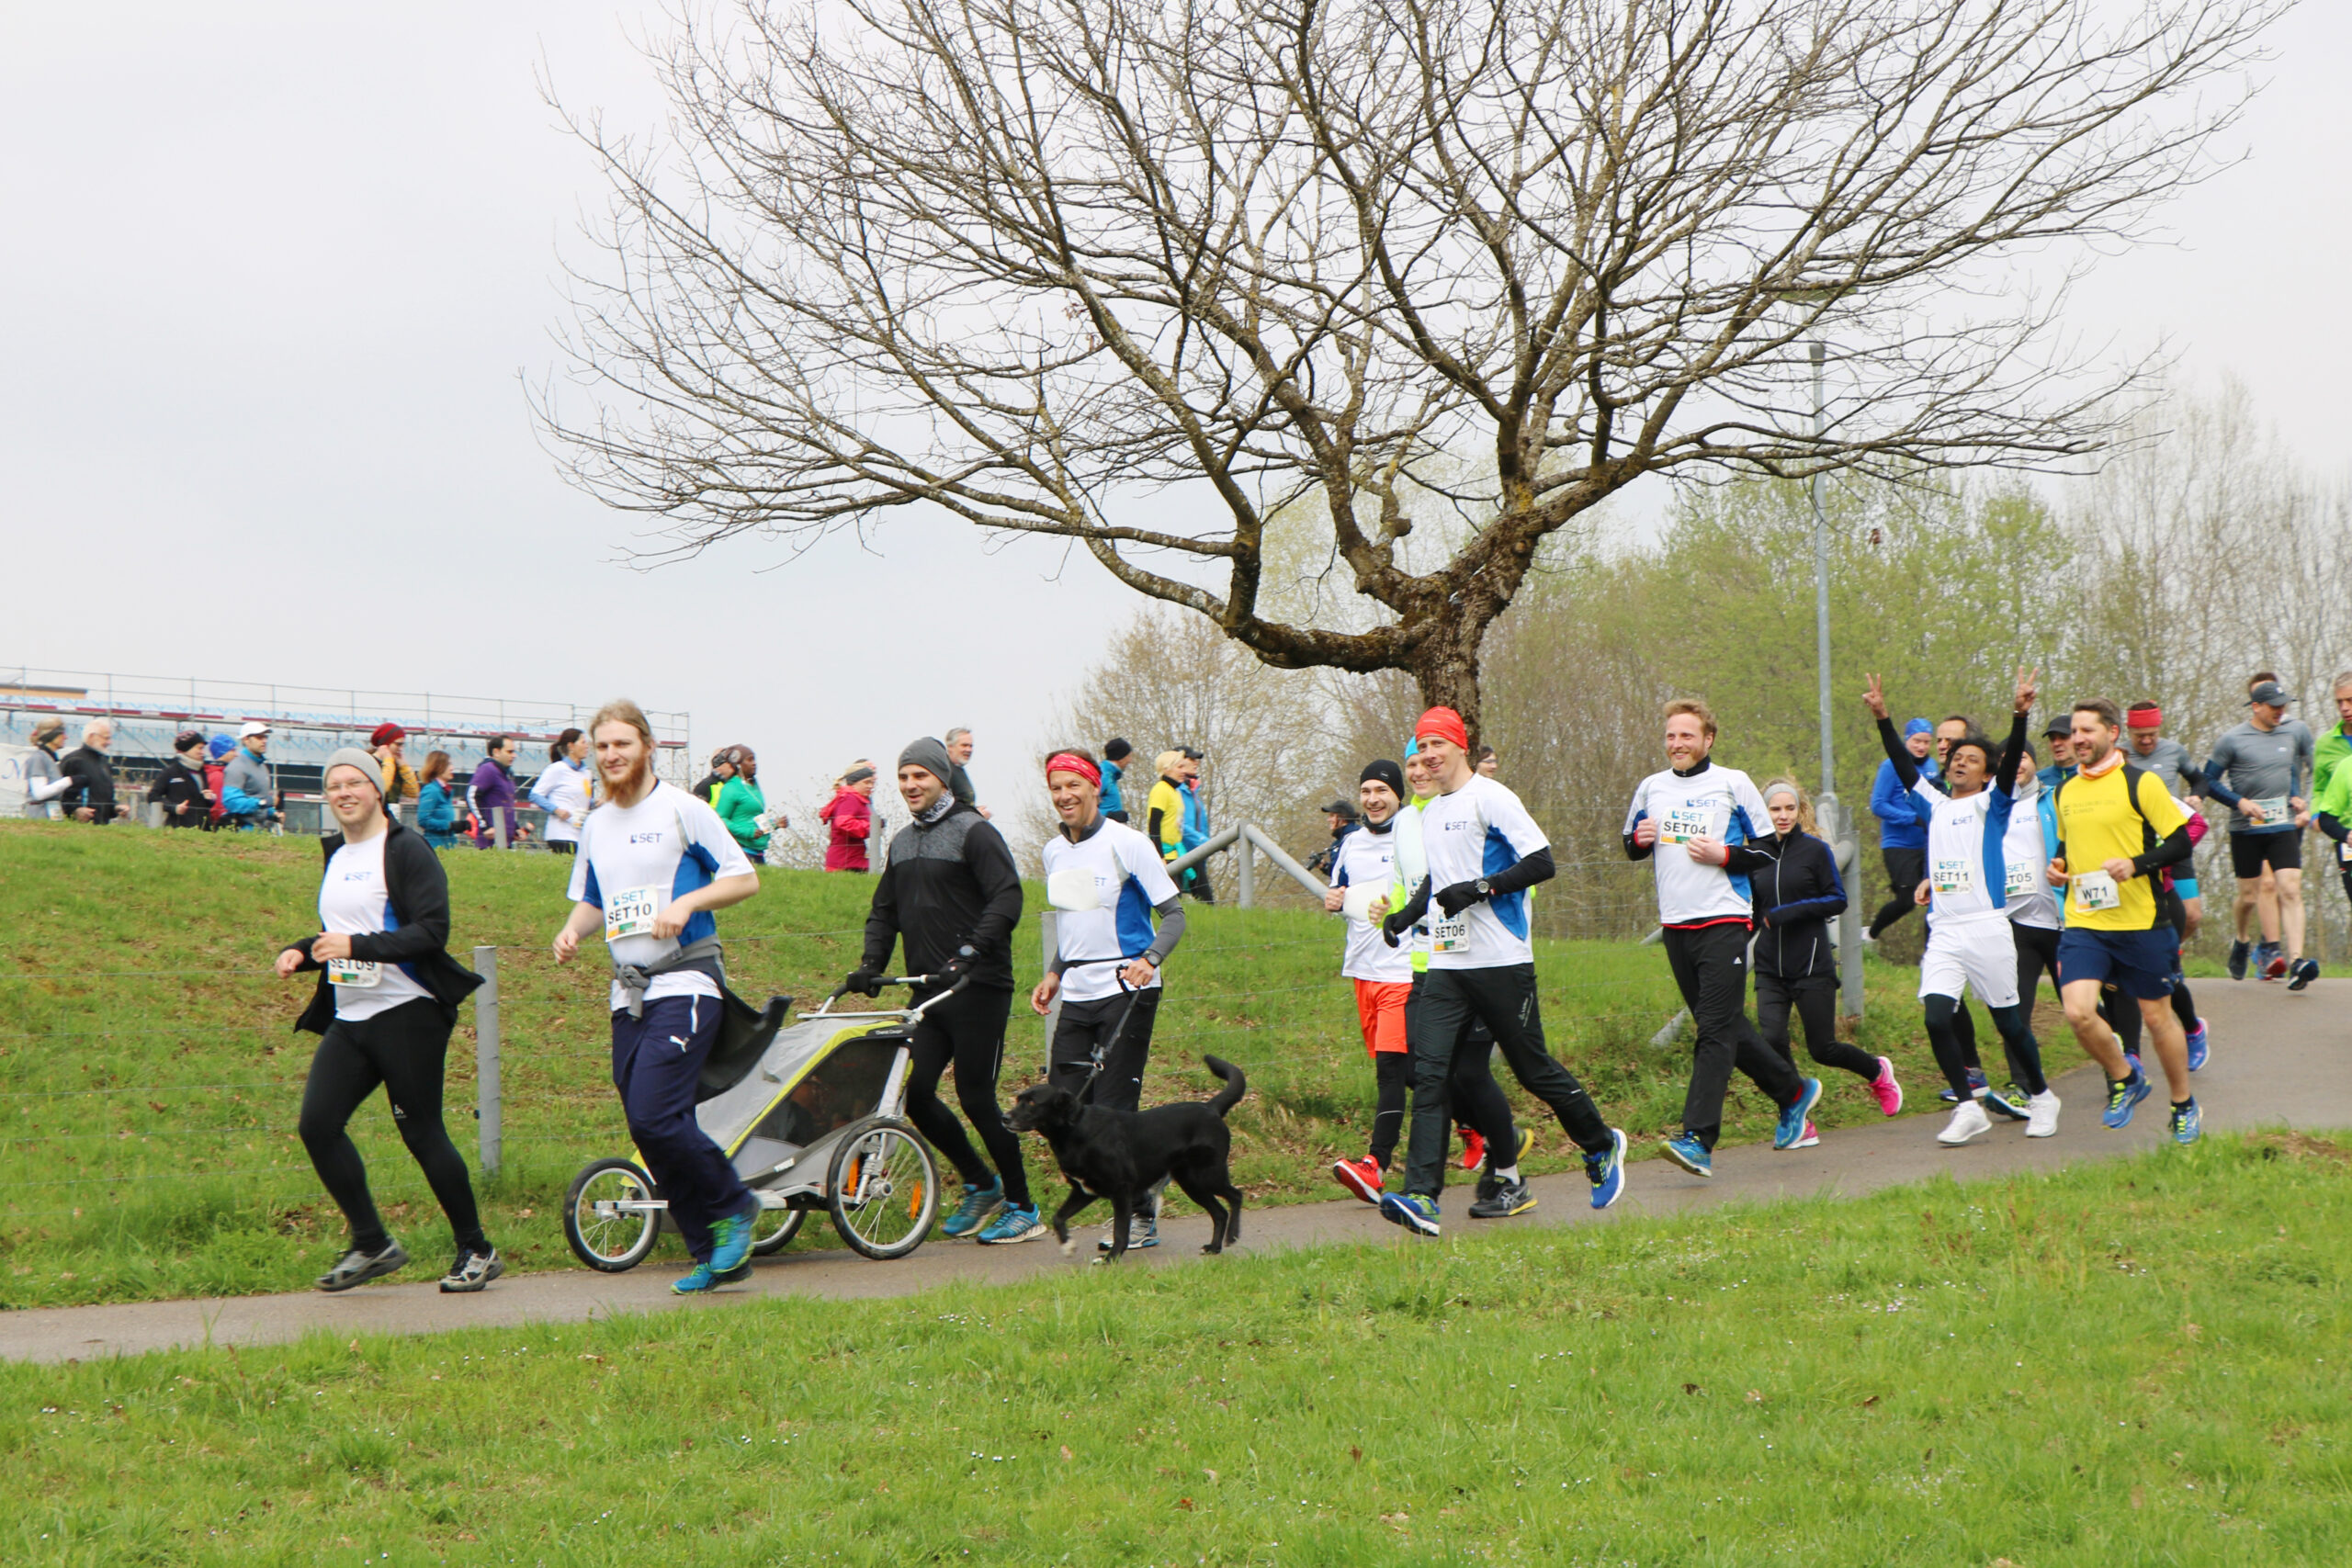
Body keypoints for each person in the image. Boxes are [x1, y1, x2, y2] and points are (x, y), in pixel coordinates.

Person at [1379, 706, 1629, 1235]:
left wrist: (1481, 888)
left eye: (1437, 746)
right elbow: (1440, 882)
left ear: (1459, 747)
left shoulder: (1493, 798)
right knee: (1430, 1075)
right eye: (1421, 749)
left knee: (1532, 1068)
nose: (1427, 757)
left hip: (1502, 962)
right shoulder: (1429, 812)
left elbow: (1542, 861)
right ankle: (1422, 1195)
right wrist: (1407, 914)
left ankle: (1601, 1143)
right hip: (1448, 965)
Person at [551, 700, 764, 1293]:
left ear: (646, 745)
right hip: (631, 994)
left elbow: (744, 876)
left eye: (622, 743)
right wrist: (573, 930)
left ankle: (735, 1203)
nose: (611, 755)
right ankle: (711, 1250)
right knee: (650, 1126)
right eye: (602, 746)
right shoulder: (595, 825)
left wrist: (686, 903)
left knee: (654, 1112)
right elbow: (594, 898)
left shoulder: (684, 810)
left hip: (688, 981)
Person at [273, 748, 499, 1293]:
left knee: (420, 1131)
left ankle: (477, 1249)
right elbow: (344, 931)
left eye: (355, 783)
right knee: (317, 1126)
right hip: (352, 1016)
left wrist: (356, 945)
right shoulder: (337, 855)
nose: (344, 793)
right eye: (334, 786)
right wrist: (304, 950)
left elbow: (431, 932)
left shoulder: (406, 849)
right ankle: (373, 1244)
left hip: (408, 1012)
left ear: (378, 790)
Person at [849, 738, 1036, 1243]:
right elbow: (884, 910)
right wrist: (871, 964)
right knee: (917, 1094)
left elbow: (1007, 898)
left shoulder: (975, 832)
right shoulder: (903, 843)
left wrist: (971, 953)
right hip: (929, 992)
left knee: (976, 1097)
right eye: (904, 777)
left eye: (921, 777)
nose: (911, 786)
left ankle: (1023, 1206)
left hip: (979, 986)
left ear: (942, 779)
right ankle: (981, 1184)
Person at [1624, 698, 1821, 1178]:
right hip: (1676, 923)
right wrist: (1638, 840)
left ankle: (1698, 1138)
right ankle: (1792, 1091)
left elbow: (1769, 850)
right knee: (1725, 1023)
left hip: (1725, 919)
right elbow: (1630, 843)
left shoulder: (1732, 783)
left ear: (1708, 739)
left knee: (1712, 1030)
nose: (1677, 744)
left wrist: (1725, 854)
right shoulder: (1651, 787)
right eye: (1671, 735)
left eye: (1687, 736)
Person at [1866, 670, 2056, 1143]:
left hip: (1988, 927)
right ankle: (1968, 1107)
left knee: (2008, 1022)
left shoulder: (1993, 803)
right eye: (1955, 757)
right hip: (1946, 928)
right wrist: (1883, 719)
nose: (1959, 763)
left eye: (1972, 760)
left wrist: (2020, 714)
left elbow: (2012, 761)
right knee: (1936, 1015)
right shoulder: (1932, 802)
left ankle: (2042, 1096)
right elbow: (1902, 764)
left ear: (1988, 773)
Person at [1032, 745, 1190, 1249]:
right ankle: (1141, 1180)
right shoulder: (1053, 852)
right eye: (1056, 788)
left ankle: (1141, 1217)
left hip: (1128, 990)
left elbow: (1175, 916)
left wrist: (1150, 960)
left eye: (1073, 785)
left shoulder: (1128, 844)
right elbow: (1073, 922)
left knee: (1113, 1112)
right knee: (1065, 1103)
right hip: (1075, 995)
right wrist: (1055, 972)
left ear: (1095, 787)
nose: (1064, 796)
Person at [2046, 697, 2199, 1144]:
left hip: (2141, 921)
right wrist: (2058, 866)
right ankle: (2125, 1076)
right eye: (2074, 732)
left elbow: (2180, 844)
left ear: (2112, 733)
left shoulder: (2142, 783)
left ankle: (2183, 1104)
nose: (2077, 739)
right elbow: (2066, 849)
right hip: (2085, 921)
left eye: (2086, 731)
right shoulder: (2063, 791)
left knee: (2157, 1019)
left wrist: (2136, 864)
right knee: (2077, 1011)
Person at [1744, 779, 1902, 1128]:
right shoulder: (1755, 855)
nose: (1783, 816)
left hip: (1811, 964)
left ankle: (1877, 1072)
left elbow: (1836, 899)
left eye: (1790, 809)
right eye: (1774, 809)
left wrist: (1788, 912)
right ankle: (1795, 1109)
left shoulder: (1814, 850)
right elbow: (1753, 911)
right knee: (1771, 1041)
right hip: (1770, 967)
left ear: (1801, 812)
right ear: (1763, 812)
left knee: (1822, 1049)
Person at [1322, 761, 1422, 1196]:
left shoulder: (1413, 836)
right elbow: (1340, 892)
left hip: (1402, 971)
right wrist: (1333, 899)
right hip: (1362, 971)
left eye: (1382, 790)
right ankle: (1485, 1127)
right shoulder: (1350, 844)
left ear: (1398, 794)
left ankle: (1375, 1165)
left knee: (1389, 1070)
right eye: (1366, 791)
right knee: (1411, 1074)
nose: (1373, 799)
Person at [2202, 678, 2315, 987]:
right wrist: (2239, 802)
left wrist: (2298, 797)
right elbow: (2207, 781)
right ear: (2256, 706)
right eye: (2274, 706)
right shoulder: (2232, 739)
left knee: (2290, 888)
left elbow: (2298, 770)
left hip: (2282, 826)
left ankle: (2296, 961)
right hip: (2246, 829)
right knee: (2249, 897)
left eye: (2284, 706)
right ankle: (2241, 939)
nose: (2281, 711)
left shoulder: (2291, 734)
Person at [1866, 717, 1936, 941]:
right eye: (1917, 741)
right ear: (1907, 739)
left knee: (1936, 901)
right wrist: (1912, 818)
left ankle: (1933, 953)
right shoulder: (1890, 766)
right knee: (1906, 900)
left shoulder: (1932, 766)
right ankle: (1871, 934)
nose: (1922, 747)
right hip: (1898, 845)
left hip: (1927, 844)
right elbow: (1878, 804)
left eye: (1926, 742)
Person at [530, 728, 594, 855]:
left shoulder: (587, 773)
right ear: (571, 746)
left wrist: (597, 802)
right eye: (583, 742)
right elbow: (535, 795)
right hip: (561, 833)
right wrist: (556, 810)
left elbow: (584, 802)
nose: (587, 746)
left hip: (580, 834)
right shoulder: (557, 769)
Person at [2123, 703, 2199, 799]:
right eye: (2140, 735)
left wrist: (2196, 797)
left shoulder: (2174, 750)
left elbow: (2199, 781)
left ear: (2159, 728)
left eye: (2152, 734)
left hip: (2170, 813)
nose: (2146, 741)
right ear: (2129, 730)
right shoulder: (2116, 755)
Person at [712, 746, 777, 859]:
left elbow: (755, 819)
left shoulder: (754, 785)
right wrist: (747, 832)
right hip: (741, 851)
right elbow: (720, 819)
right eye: (750, 760)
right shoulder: (731, 788)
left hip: (758, 851)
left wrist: (776, 824)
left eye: (754, 759)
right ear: (738, 764)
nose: (754, 763)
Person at [56, 720, 119, 824]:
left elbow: (104, 798)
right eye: (106, 738)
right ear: (92, 736)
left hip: (102, 827)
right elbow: (61, 795)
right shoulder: (74, 760)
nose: (110, 742)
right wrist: (75, 810)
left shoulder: (103, 762)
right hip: (79, 828)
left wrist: (115, 808)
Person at [1146, 750, 1192, 891]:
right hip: (1165, 855)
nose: (1184, 771)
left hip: (1177, 853)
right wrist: (1160, 857)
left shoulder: (1175, 792)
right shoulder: (1161, 790)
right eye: (1180, 767)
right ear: (1166, 769)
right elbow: (1154, 825)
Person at [469, 737, 525, 848]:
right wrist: (485, 826)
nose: (514, 755)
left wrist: (515, 828)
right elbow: (471, 796)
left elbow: (506, 805)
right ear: (496, 752)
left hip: (505, 841)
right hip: (489, 842)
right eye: (509, 752)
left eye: (514, 752)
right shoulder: (487, 769)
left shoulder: (507, 774)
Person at [222, 721, 277, 829]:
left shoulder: (261, 766)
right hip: (243, 831)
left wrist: (273, 814)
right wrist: (263, 803)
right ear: (246, 740)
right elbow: (231, 802)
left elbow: (260, 797)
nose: (264, 741)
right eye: (259, 737)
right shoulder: (236, 766)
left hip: (261, 830)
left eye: (265, 737)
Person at [154, 729, 215, 828]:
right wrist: (174, 808)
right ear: (187, 749)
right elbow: (153, 796)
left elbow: (202, 803)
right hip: (178, 830)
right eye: (199, 748)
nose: (202, 752)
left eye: (203, 749)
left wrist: (210, 799)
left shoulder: (202, 771)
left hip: (203, 831)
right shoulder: (170, 772)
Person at [820, 766, 876, 871]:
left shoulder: (856, 798)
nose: (870, 786)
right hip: (845, 862)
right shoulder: (849, 798)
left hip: (852, 859)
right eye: (867, 782)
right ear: (855, 783)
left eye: (872, 783)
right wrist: (872, 827)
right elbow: (843, 823)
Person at [1178, 748, 1215, 903]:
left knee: (1205, 902)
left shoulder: (1193, 793)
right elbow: (1181, 826)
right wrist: (1209, 844)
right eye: (1191, 759)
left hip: (1196, 854)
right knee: (1205, 901)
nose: (1196, 763)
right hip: (1180, 853)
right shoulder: (1176, 792)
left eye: (1196, 760)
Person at [19, 716, 72, 819]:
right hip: (38, 816)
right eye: (62, 734)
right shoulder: (38, 758)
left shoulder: (50, 759)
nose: (66, 737)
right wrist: (70, 780)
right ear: (52, 736)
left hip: (51, 816)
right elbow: (40, 794)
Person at [2314, 671, 2352, 804]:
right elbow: (2320, 790)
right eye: (2339, 702)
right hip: (2340, 823)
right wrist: (2316, 817)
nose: (2344, 708)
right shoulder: (2325, 743)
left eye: (2350, 700)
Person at [416, 750, 462, 848]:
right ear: (438, 767)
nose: (452, 768)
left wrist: (459, 826)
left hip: (447, 845)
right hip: (435, 846)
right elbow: (423, 820)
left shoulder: (445, 790)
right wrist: (449, 825)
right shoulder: (431, 790)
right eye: (449, 764)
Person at [1305, 796, 1360, 876]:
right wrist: (1324, 866)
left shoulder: (1359, 837)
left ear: (1342, 817)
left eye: (1332, 816)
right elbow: (1339, 875)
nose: (1328, 819)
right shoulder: (1337, 843)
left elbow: (1353, 872)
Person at [368, 723, 419, 806]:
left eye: (402, 745)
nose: (401, 749)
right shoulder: (369, 762)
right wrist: (388, 761)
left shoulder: (395, 766)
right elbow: (381, 789)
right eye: (398, 744)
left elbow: (413, 792)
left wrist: (404, 767)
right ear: (385, 744)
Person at [2037, 717, 2076, 793]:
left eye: (2063, 737)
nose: (2056, 743)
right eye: (2052, 739)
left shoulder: (2090, 775)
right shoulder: (2039, 780)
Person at [1100, 738, 1133, 822]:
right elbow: (1085, 805)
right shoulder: (1103, 776)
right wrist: (1110, 816)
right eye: (1128, 756)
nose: (1130, 760)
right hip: (1104, 830)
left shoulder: (1110, 775)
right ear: (1121, 759)